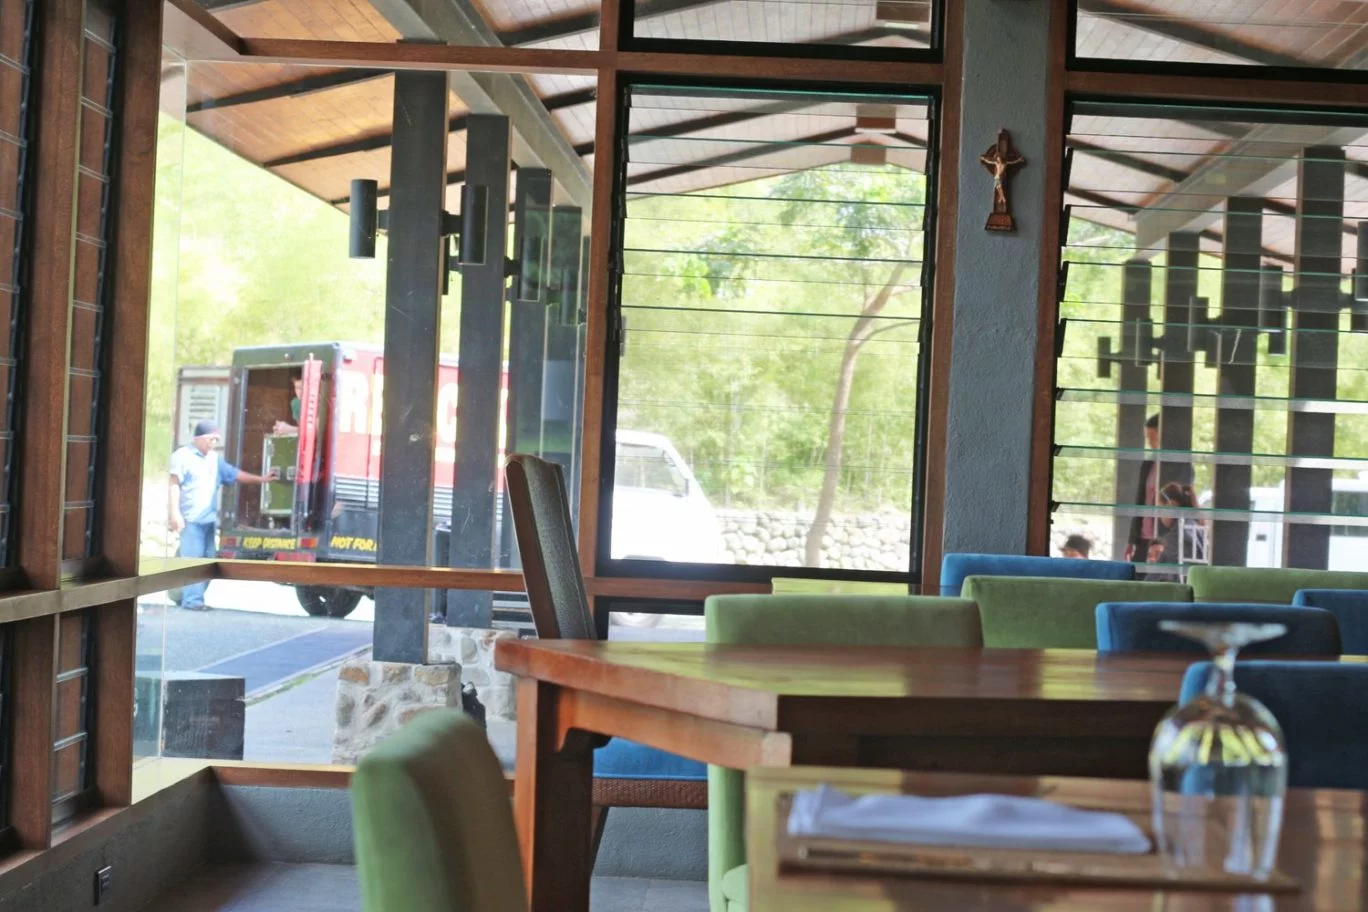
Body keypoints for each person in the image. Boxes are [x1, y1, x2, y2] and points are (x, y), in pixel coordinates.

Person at [169, 420, 277, 610]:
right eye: (212, 439)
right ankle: (193, 601)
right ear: (199, 438)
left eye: (216, 439)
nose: (214, 443)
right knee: (194, 560)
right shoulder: (182, 457)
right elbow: (173, 485)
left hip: (209, 520)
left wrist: (261, 479)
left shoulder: (214, 459)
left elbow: (234, 474)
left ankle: (192, 597)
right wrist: (174, 514)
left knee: (209, 559)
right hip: (190, 520)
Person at [1145, 482, 1208, 582]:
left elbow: (1160, 575)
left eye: (1160, 510)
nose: (1159, 517)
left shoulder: (1177, 536)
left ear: (1171, 505)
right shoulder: (1195, 526)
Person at [1125, 413, 1161, 561]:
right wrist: (1131, 540)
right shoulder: (1148, 465)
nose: (1150, 443)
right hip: (1143, 537)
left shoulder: (1180, 467)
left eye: (1153, 438)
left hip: (1160, 541)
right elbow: (1139, 501)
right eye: (1148, 439)